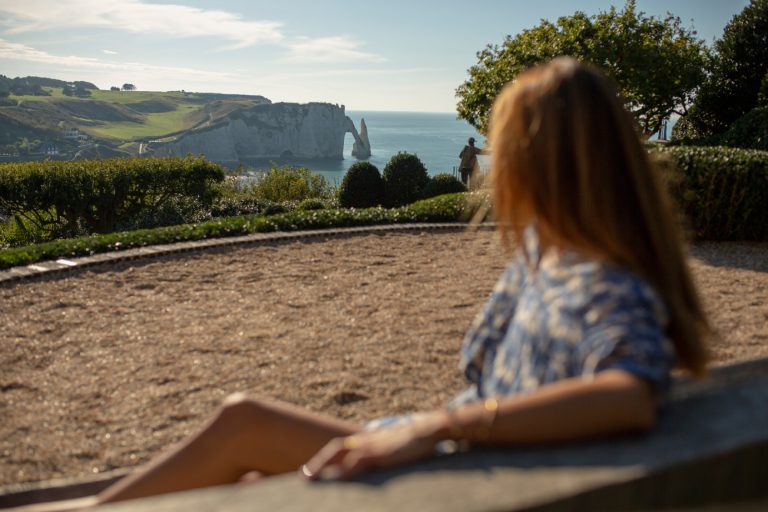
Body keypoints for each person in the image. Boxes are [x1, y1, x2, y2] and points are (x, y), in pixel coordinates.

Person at [94, 57, 711, 505]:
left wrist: (439, 425)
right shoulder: (548, 255)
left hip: (462, 479)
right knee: (253, 477)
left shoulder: (603, 279)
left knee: (243, 424)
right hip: (461, 463)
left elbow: (628, 393)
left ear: (536, 163)